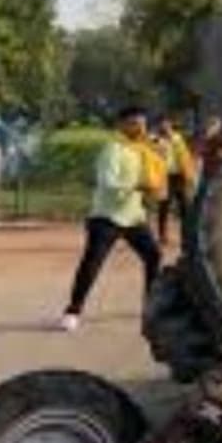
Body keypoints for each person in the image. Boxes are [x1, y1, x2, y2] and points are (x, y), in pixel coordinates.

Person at [58, 106, 164, 332]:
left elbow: (156, 173)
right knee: (92, 263)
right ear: (122, 124)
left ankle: (151, 306)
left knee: (153, 255)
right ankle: (73, 311)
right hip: (107, 217)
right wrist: (137, 186)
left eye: (143, 123)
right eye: (135, 123)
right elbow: (108, 182)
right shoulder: (112, 149)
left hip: (134, 216)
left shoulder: (141, 149)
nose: (141, 128)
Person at [152, 116, 196, 246]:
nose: (164, 126)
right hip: (164, 177)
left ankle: (186, 236)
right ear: (158, 126)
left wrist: (190, 175)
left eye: (166, 124)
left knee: (185, 208)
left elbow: (185, 156)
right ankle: (162, 235)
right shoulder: (155, 139)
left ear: (170, 124)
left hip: (180, 176)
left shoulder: (178, 138)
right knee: (164, 206)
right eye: (161, 124)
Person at [196, 115, 222, 185]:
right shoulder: (201, 137)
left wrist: (218, 154)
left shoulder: (221, 139)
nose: (216, 129)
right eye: (214, 127)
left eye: (218, 127)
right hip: (200, 171)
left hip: (214, 172)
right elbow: (197, 150)